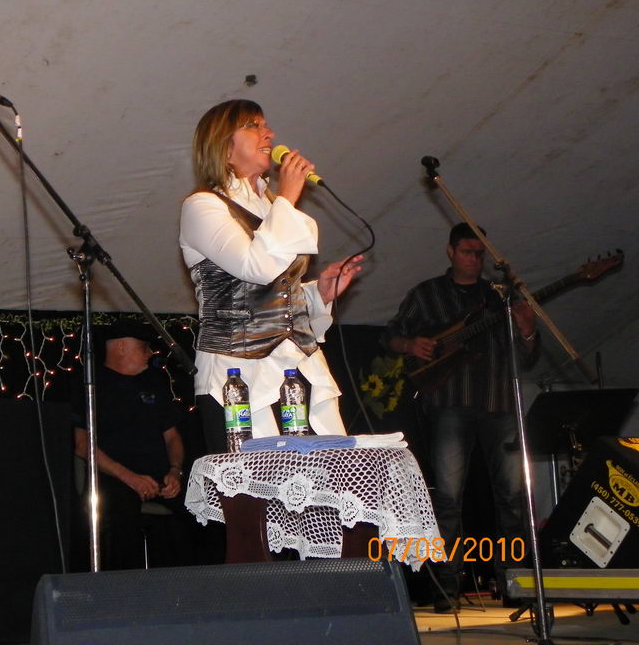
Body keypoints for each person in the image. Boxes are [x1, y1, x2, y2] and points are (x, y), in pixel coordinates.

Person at [179, 99, 362, 449]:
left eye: (265, 125)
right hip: (237, 376)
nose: (269, 134)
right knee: (256, 481)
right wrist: (287, 199)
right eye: (253, 125)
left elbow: (276, 291)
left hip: (295, 368)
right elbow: (256, 268)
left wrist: (318, 294)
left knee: (316, 474)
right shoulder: (203, 206)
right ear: (223, 146)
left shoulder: (269, 206)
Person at [382, 222, 539, 612]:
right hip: (450, 402)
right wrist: (410, 345)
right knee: (449, 497)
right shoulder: (427, 294)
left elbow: (528, 358)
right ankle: (447, 588)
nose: (474, 259)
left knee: (513, 497)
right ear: (451, 252)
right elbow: (389, 335)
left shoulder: (500, 297)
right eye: (467, 252)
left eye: (480, 253)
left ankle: (515, 584)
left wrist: (528, 331)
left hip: (499, 401)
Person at [72, 321, 190, 570]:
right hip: (114, 477)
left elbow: (173, 437)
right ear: (122, 347)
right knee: (121, 513)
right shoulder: (91, 387)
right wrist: (131, 478)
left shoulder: (154, 383)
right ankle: (126, 584)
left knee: (203, 506)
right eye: (144, 347)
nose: (150, 353)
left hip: (160, 476)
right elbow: (83, 445)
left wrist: (175, 471)